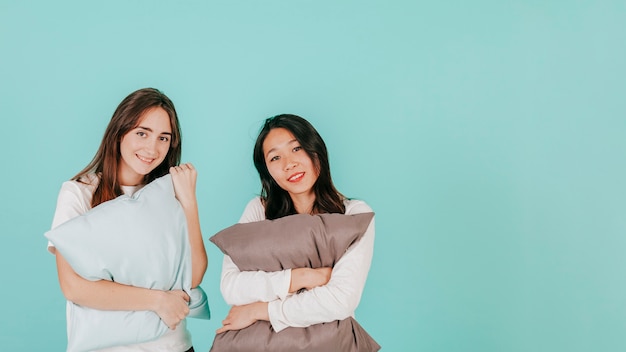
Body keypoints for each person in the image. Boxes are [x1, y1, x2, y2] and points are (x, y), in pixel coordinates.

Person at [48, 88, 207, 352]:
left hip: (175, 346)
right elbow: (73, 287)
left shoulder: (172, 193)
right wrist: (159, 301)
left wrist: (189, 203)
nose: (152, 148)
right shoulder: (78, 192)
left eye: (163, 138)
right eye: (142, 133)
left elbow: (193, 276)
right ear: (119, 132)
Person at [217, 113, 375, 334]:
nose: (289, 164)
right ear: (268, 172)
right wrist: (302, 277)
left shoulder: (354, 215)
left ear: (316, 151)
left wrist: (260, 310)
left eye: (296, 148)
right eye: (275, 158)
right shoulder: (258, 211)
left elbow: (341, 299)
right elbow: (232, 287)